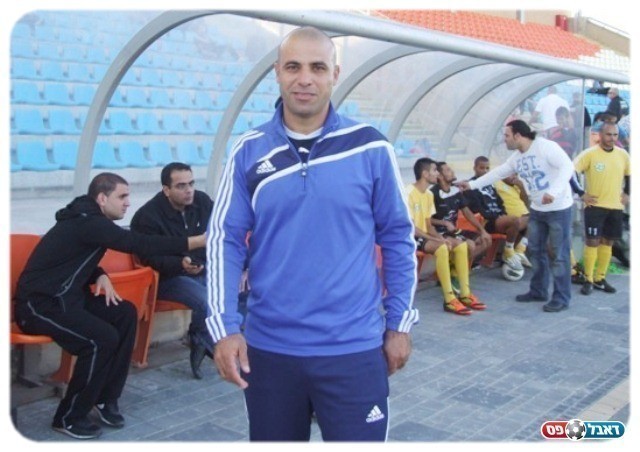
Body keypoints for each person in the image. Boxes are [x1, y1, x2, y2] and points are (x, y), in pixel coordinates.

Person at [205, 26, 418, 442]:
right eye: (293, 67)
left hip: (353, 348)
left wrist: (399, 324)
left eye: (317, 67)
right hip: (270, 351)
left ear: (334, 74)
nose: (305, 79)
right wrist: (225, 328)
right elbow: (224, 242)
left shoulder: (369, 147)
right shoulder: (248, 151)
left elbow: (398, 237)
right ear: (277, 72)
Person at [13, 173, 206, 439]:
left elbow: (70, 257)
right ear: (102, 198)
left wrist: (99, 273)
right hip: (39, 306)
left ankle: (105, 399)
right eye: (122, 196)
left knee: (125, 313)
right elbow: (137, 242)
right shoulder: (88, 222)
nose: (128, 203)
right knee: (100, 339)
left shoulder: (88, 220)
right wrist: (197, 241)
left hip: (68, 299)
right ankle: (68, 417)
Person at [457, 120, 574, 313]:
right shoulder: (517, 157)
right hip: (537, 210)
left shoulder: (545, 147)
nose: (505, 139)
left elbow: (567, 167)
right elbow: (497, 173)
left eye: (507, 135)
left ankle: (561, 297)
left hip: (558, 209)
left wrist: (553, 192)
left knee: (560, 255)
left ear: (518, 135)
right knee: (535, 251)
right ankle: (538, 291)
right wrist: (471, 185)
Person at [130, 162, 214, 379]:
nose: (189, 190)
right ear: (166, 190)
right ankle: (201, 341)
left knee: (243, 287)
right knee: (206, 300)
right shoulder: (147, 216)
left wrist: (201, 263)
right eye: (181, 186)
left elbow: (219, 232)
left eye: (191, 183)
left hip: (202, 269)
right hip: (168, 277)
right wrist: (180, 264)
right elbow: (149, 258)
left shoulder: (202, 201)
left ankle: (210, 341)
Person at [407, 157, 486, 315]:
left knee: (460, 246)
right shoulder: (408, 192)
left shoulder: (428, 195)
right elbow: (411, 228)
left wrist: (440, 238)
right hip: (408, 237)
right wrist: (437, 240)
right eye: (434, 170)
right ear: (425, 174)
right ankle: (449, 299)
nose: (437, 174)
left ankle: (465, 294)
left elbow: (428, 225)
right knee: (442, 248)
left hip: (424, 236)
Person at [573, 122, 630, 295]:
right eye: (608, 134)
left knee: (608, 242)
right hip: (595, 206)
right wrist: (581, 193)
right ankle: (588, 279)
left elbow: (630, 175)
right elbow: (571, 172)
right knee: (592, 241)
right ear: (600, 135)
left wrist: (627, 193)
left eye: (615, 135)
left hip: (615, 207)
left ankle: (600, 278)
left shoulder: (623, 154)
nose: (612, 138)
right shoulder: (589, 154)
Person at [466, 156, 530, 269]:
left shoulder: (490, 184)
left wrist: (503, 214)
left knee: (532, 218)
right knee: (514, 220)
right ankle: (508, 252)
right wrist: (495, 216)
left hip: (499, 218)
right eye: (481, 168)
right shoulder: (471, 185)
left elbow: (500, 202)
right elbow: (476, 208)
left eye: (487, 168)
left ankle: (517, 251)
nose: (485, 171)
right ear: (474, 168)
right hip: (486, 221)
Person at [430, 161, 491, 265]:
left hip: (454, 231)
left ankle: (455, 266)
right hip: (440, 232)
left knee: (486, 240)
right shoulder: (433, 194)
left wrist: (482, 230)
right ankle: (457, 269)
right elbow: (427, 219)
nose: (452, 171)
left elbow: (467, 212)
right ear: (440, 176)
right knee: (470, 245)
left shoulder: (455, 189)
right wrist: (444, 223)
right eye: (448, 170)